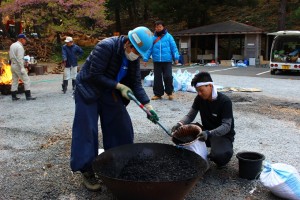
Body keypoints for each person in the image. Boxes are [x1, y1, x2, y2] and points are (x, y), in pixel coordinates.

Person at [70, 26, 159, 191]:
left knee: (121, 124)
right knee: (87, 129)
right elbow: (94, 75)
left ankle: (119, 162)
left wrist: (147, 105)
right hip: (88, 89)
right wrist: (119, 86)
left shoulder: (132, 59)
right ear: (128, 43)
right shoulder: (106, 46)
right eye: (136, 51)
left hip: (109, 92)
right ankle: (87, 170)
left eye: (140, 54)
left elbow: (136, 83)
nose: (136, 55)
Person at [171, 72, 235, 168]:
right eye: (197, 91)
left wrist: (209, 133)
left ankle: (214, 154)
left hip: (222, 135)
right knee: (184, 131)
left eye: (201, 90)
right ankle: (196, 153)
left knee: (220, 156)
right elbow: (190, 116)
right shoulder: (199, 98)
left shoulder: (224, 101)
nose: (199, 93)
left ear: (209, 86)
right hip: (205, 132)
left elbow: (226, 126)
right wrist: (180, 124)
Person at [143, 20, 180, 100]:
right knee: (157, 78)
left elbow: (174, 47)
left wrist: (176, 57)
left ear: (163, 27)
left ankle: (170, 93)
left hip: (167, 61)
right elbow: (149, 49)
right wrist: (145, 59)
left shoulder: (169, 36)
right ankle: (158, 94)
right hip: (156, 61)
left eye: (159, 26)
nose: (158, 28)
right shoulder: (152, 38)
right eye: (156, 27)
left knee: (168, 76)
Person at [9, 34, 36, 101]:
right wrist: (22, 68)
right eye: (24, 40)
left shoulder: (12, 45)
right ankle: (28, 96)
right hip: (18, 65)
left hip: (12, 64)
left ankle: (13, 96)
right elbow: (20, 58)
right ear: (21, 39)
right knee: (26, 80)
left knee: (15, 80)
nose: (25, 41)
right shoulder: (20, 47)